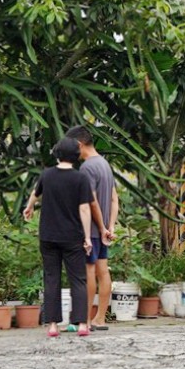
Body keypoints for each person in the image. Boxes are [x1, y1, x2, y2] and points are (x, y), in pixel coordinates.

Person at [23, 137, 93, 338]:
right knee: (78, 280)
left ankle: (53, 325)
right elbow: (84, 209)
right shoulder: (80, 179)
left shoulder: (47, 175)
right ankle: (81, 324)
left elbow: (35, 194)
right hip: (72, 236)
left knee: (51, 278)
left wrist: (28, 208)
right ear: (76, 156)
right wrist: (87, 237)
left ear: (57, 154)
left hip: (48, 236)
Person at [67, 124, 118, 331]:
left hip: (92, 231)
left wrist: (100, 227)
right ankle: (100, 318)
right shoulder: (105, 164)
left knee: (88, 272)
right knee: (103, 272)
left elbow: (92, 201)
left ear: (79, 144)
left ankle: (85, 320)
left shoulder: (87, 167)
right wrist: (110, 226)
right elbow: (115, 199)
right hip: (104, 231)